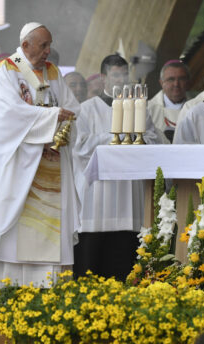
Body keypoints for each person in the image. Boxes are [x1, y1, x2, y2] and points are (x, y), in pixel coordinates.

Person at [0, 22, 80, 294]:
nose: (48, 50)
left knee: (50, 247)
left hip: (51, 166)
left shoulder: (53, 73)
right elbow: (5, 115)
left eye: (49, 44)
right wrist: (50, 117)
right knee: (14, 243)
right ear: (25, 46)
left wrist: (63, 117)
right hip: (18, 169)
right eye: (43, 45)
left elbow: (72, 107)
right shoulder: (6, 72)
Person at [72, 54, 159, 280]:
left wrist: (135, 138)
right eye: (115, 75)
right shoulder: (86, 109)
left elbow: (151, 140)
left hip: (128, 197)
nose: (120, 80)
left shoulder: (139, 108)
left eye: (124, 75)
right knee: (91, 267)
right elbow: (79, 147)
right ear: (103, 78)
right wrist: (113, 136)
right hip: (96, 199)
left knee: (124, 263)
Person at [148, 59, 190, 142]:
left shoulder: (196, 108)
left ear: (188, 82)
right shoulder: (148, 109)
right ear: (161, 82)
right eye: (171, 79)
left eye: (181, 79)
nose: (176, 84)